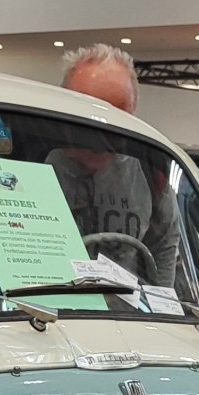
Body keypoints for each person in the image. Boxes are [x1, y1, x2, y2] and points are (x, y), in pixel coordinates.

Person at [52, 44, 180, 286]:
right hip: (41, 314)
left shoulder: (150, 168)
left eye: (118, 118)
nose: (103, 134)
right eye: (87, 117)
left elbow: (164, 241)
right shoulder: (31, 159)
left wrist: (162, 306)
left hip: (122, 318)